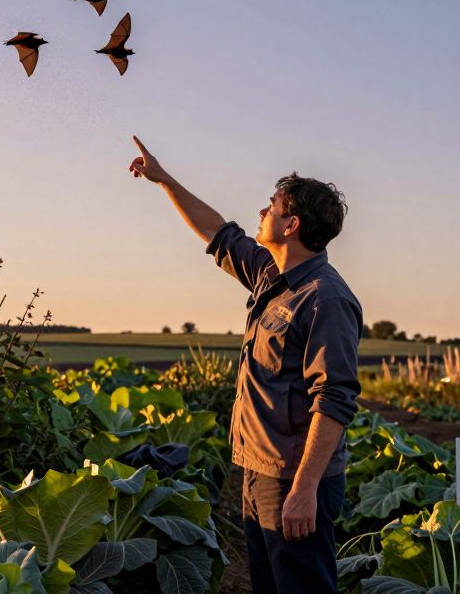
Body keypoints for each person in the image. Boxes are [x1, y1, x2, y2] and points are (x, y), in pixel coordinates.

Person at [128, 135, 361, 594]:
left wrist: (304, 490)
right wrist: (163, 179)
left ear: (291, 224)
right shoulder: (271, 274)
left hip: (294, 482)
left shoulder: (325, 299)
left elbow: (333, 400)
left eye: (270, 207)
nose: (260, 213)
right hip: (259, 473)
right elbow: (218, 231)